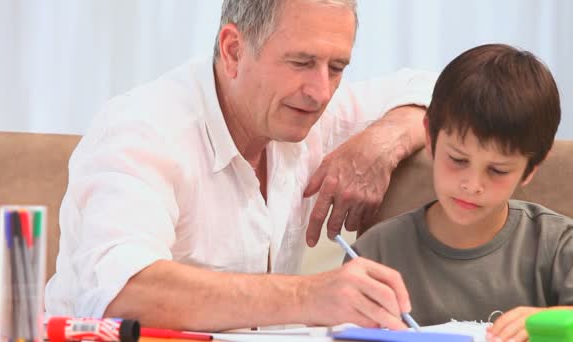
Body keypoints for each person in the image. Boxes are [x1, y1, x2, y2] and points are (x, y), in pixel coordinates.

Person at [46, 0, 436, 331]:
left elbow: (443, 90)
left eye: (337, 68)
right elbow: (123, 291)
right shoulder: (142, 127)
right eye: (301, 62)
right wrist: (310, 295)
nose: (321, 92)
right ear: (233, 50)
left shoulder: (311, 112)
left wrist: (385, 140)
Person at [350, 43, 573, 342]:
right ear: (430, 137)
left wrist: (554, 322)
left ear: (531, 168)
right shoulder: (376, 252)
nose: (472, 184)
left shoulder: (559, 246)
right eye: (457, 160)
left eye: (497, 170)